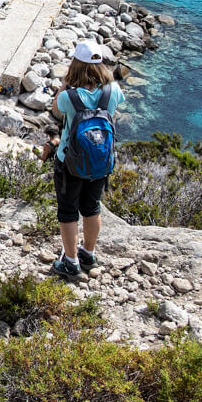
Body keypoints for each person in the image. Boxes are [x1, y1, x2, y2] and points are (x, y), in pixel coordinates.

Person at [43, 41, 126, 279]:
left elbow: (56, 109)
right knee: (92, 207)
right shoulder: (113, 91)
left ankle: (71, 261)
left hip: (69, 161)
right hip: (101, 161)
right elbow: (114, 109)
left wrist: (64, 84)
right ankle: (88, 254)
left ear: (75, 65)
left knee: (68, 211)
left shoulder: (70, 96)